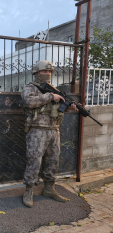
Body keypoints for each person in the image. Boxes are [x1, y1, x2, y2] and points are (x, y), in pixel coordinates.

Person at [21, 60, 78, 208]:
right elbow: (28, 102)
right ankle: (29, 190)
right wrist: (50, 97)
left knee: (53, 161)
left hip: (53, 129)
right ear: (36, 72)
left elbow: (59, 108)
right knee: (34, 161)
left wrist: (69, 107)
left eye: (49, 72)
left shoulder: (53, 89)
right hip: (37, 130)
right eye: (44, 71)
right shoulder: (30, 88)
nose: (47, 74)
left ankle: (49, 188)